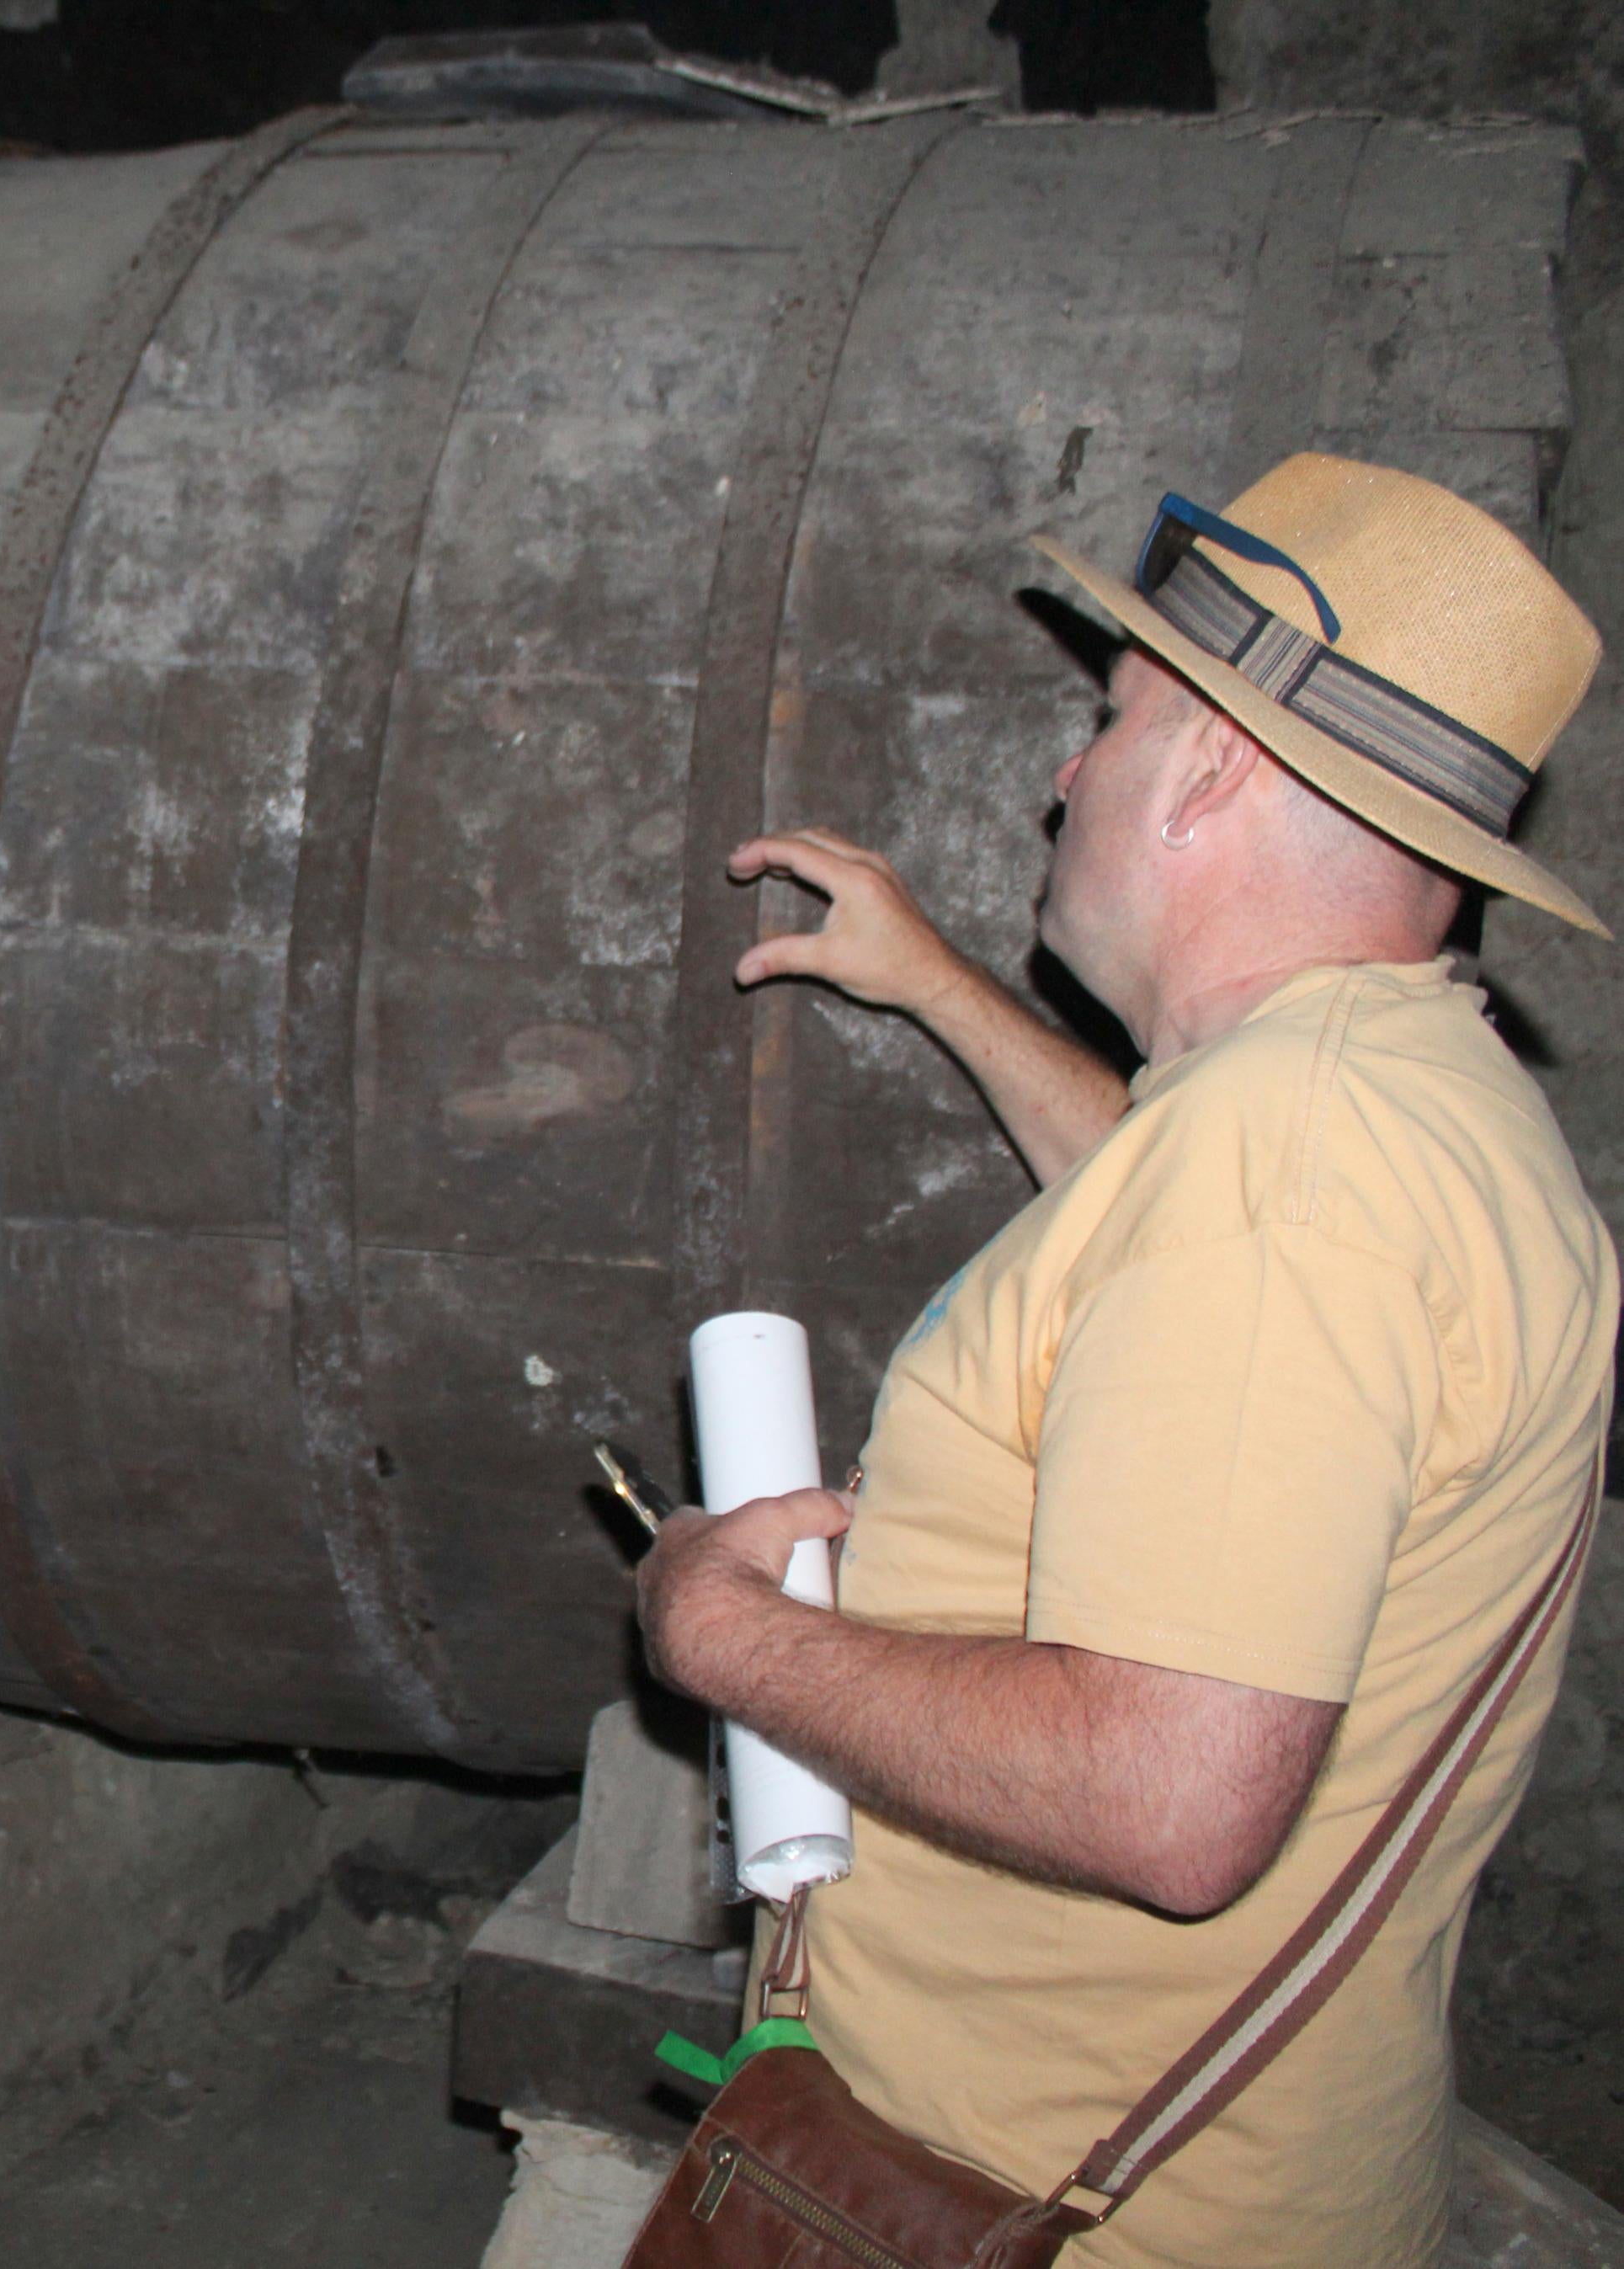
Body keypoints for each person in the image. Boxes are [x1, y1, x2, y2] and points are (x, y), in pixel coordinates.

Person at [634, 453, 1618, 2266]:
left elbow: (1170, 1799)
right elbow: (1180, 1297)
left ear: (1219, 774)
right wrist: (943, 986)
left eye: (1114, 719)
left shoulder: (1291, 1170)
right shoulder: (1402, 1096)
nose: (1066, 770)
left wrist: (725, 1633)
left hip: (1038, 2202)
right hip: (1211, 2162)